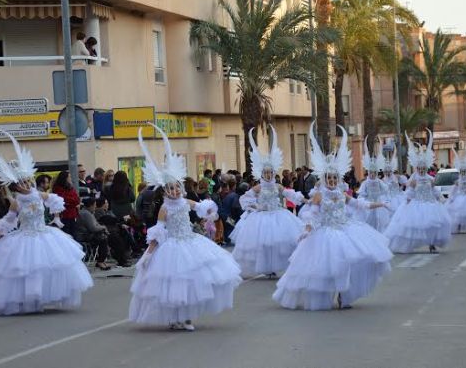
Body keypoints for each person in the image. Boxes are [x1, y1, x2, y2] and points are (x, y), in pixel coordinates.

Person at [129, 124, 242, 331]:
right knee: (175, 285)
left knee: (192, 282)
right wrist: (148, 254)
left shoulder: (186, 202)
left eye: (177, 187)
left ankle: (187, 317)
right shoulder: (164, 208)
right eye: (171, 188)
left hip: (190, 243)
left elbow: (203, 208)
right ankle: (175, 317)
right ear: (165, 191)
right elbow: (158, 232)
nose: (175, 191)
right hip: (171, 247)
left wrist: (209, 213)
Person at [0, 133, 93, 316]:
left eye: (27, 181)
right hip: (24, 236)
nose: (26, 184)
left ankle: (41, 298)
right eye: (22, 183)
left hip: (43, 234)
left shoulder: (39, 195)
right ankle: (28, 300)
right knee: (25, 270)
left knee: (44, 268)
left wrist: (57, 218)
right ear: (16, 186)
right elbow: (8, 222)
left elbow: (56, 201)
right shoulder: (16, 201)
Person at [273, 125, 393, 311]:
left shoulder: (342, 193)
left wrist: (380, 204)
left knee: (350, 264)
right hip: (325, 235)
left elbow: (360, 204)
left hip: (346, 230)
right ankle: (334, 295)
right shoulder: (320, 195)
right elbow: (312, 215)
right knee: (327, 269)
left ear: (338, 179)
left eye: (334, 178)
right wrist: (306, 231)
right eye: (329, 179)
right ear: (324, 179)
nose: (332, 182)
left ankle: (344, 296)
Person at [230, 126, 304, 277]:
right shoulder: (258, 187)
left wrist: (303, 199)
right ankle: (267, 268)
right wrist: (254, 206)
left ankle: (275, 267)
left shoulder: (277, 185)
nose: (269, 175)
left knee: (278, 243)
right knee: (264, 244)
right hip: (261, 218)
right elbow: (244, 198)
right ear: (262, 173)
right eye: (266, 173)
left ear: (273, 173)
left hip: (278, 215)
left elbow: (289, 194)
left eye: (270, 172)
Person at [384, 131, 452, 254]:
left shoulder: (431, 179)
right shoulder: (414, 180)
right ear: (417, 169)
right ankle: (411, 245)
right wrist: (406, 203)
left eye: (423, 169)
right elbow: (410, 192)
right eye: (419, 169)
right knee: (414, 227)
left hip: (431, 205)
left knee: (433, 225)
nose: (421, 170)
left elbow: (435, 191)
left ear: (426, 168)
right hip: (417, 205)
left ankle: (432, 244)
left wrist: (441, 199)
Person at [356, 138, 392, 233]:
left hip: (379, 204)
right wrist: (363, 200)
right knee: (369, 221)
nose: (372, 174)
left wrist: (384, 198)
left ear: (376, 173)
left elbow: (385, 190)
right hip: (369, 205)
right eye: (371, 172)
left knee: (379, 222)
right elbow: (362, 194)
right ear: (368, 172)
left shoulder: (379, 182)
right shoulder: (365, 183)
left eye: (374, 173)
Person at [75, 198, 111, 270]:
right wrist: (103, 228)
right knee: (103, 239)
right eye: (94, 205)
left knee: (105, 237)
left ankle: (102, 260)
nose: (95, 207)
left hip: (87, 234)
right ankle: (100, 261)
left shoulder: (88, 213)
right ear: (90, 206)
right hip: (84, 236)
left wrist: (102, 228)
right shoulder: (86, 214)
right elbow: (93, 228)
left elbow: (96, 225)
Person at [52, 170, 80, 236]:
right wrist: (71, 201)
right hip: (64, 215)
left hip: (72, 215)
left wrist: (71, 201)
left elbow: (76, 200)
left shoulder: (71, 188)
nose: (70, 179)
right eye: (69, 177)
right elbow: (63, 200)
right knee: (66, 234)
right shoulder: (58, 188)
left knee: (73, 234)